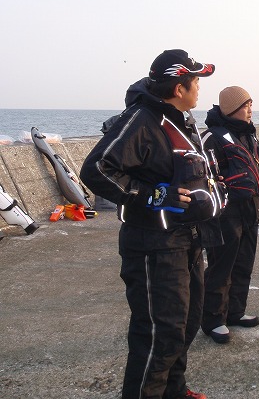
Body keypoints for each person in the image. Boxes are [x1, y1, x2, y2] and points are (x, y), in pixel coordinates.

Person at [80, 49, 216, 399]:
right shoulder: (142, 120)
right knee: (159, 333)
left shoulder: (181, 120)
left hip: (187, 240)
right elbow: (97, 169)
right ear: (179, 88)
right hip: (155, 247)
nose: (199, 87)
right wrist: (152, 195)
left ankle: (175, 391)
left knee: (186, 324)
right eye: (196, 81)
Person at [199, 86, 259, 344]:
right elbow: (204, 176)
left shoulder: (249, 136)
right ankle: (213, 320)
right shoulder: (212, 137)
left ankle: (235, 311)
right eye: (245, 105)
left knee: (244, 263)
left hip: (250, 209)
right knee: (221, 266)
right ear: (231, 108)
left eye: (251, 104)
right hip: (225, 213)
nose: (250, 110)